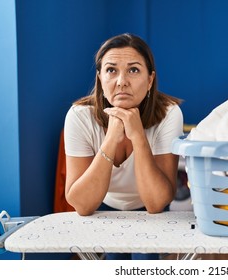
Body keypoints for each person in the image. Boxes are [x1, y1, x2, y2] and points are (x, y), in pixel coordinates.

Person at [63, 33, 183, 260]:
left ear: (150, 80)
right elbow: (82, 204)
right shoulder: (79, 116)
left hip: (151, 210)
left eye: (134, 70)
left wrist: (138, 136)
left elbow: (157, 203)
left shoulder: (169, 114)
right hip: (103, 206)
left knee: (147, 265)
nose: (121, 81)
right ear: (100, 78)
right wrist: (112, 137)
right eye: (111, 70)